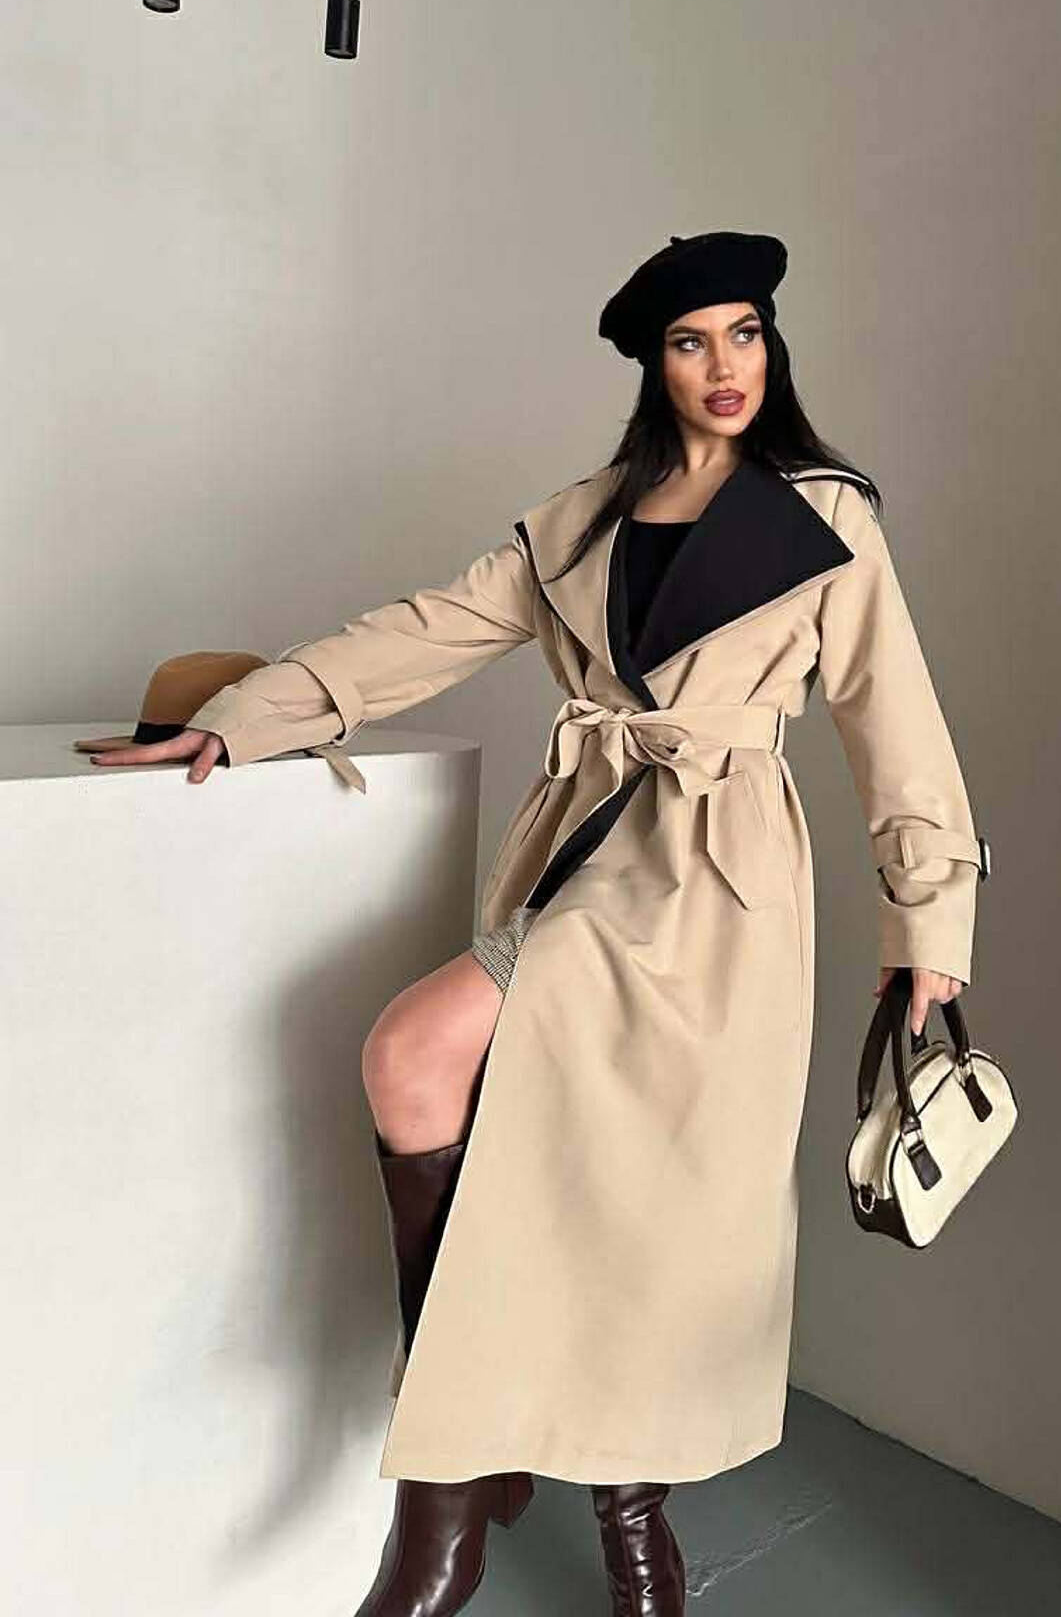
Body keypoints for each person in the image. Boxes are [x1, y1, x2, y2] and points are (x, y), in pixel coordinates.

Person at [91, 231, 987, 1617]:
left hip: (720, 883)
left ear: (773, 343)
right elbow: (423, 630)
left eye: (746, 332)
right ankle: (461, 1475)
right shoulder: (581, 522)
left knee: (655, 1201)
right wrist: (240, 718)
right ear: (653, 364)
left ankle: (626, 1512)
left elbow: (895, 723)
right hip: (586, 849)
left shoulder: (827, 517)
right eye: (691, 341)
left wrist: (928, 923)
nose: (725, 365)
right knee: (419, 1062)